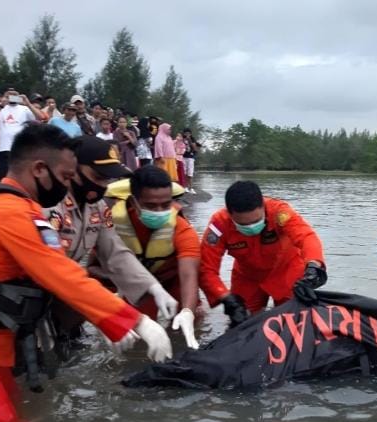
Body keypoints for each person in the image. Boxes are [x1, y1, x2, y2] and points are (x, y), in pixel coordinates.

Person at [0, 124, 172, 422]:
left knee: (16, 417)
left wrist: (152, 289)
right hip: (4, 331)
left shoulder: (19, 206)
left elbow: (112, 253)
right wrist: (132, 320)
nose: (69, 184)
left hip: (3, 336)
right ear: (40, 169)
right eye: (67, 177)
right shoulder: (17, 213)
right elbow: (60, 273)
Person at [43, 136, 179, 357]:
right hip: (33, 295)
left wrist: (154, 287)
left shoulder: (96, 208)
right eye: (98, 176)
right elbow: (55, 271)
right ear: (72, 169)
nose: (103, 185)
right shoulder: (48, 207)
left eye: (108, 179)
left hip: (64, 295)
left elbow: (116, 253)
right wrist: (113, 316)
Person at [199, 180, 327, 327]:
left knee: (294, 322)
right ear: (229, 213)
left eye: (256, 221)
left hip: (286, 270)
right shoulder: (219, 224)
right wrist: (225, 297)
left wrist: (313, 266)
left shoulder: (280, 212)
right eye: (243, 225)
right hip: (247, 276)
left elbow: (306, 237)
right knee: (242, 322)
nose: (251, 228)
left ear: (263, 205)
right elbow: (206, 269)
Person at [107, 165, 201, 349]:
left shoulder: (182, 228)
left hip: (174, 280)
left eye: (165, 205)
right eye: (151, 205)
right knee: (137, 334)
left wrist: (188, 311)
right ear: (134, 202)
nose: (159, 211)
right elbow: (94, 268)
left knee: (192, 319)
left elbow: (189, 273)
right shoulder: (112, 226)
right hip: (138, 285)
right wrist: (109, 304)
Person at [0, 90, 48, 183]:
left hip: (19, 150)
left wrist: (28, 103)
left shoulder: (24, 109)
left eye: (15, 95)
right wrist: (1, 104)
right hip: (3, 150)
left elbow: (40, 117)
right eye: (9, 95)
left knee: (20, 181)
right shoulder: (0, 107)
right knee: (3, 180)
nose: (12, 97)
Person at [182, 128, 201, 192]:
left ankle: (191, 188)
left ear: (190, 134)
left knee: (190, 173)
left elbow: (195, 148)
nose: (187, 134)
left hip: (191, 157)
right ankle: (185, 187)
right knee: (184, 172)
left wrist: (189, 140)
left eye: (189, 133)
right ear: (184, 133)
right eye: (186, 133)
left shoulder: (192, 139)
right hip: (183, 157)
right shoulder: (181, 139)